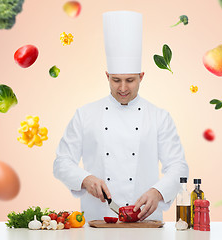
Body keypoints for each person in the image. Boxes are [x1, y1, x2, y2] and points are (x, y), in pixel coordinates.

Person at [53, 11, 189, 222]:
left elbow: (179, 166)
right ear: (107, 76)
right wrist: (84, 179)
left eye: (130, 80)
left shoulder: (159, 117)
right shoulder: (85, 114)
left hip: (147, 223)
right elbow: (61, 162)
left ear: (141, 77)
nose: (123, 88)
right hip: (97, 221)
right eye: (116, 80)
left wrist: (159, 191)